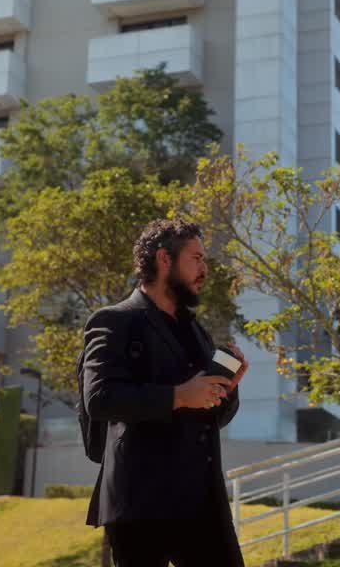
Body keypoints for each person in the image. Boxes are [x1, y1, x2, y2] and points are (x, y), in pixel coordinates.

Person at [81, 219, 250, 567]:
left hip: (204, 504)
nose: (205, 269)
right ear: (164, 259)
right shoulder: (114, 320)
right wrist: (178, 396)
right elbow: (99, 398)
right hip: (140, 504)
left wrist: (226, 390)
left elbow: (211, 416)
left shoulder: (196, 332)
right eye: (196, 258)